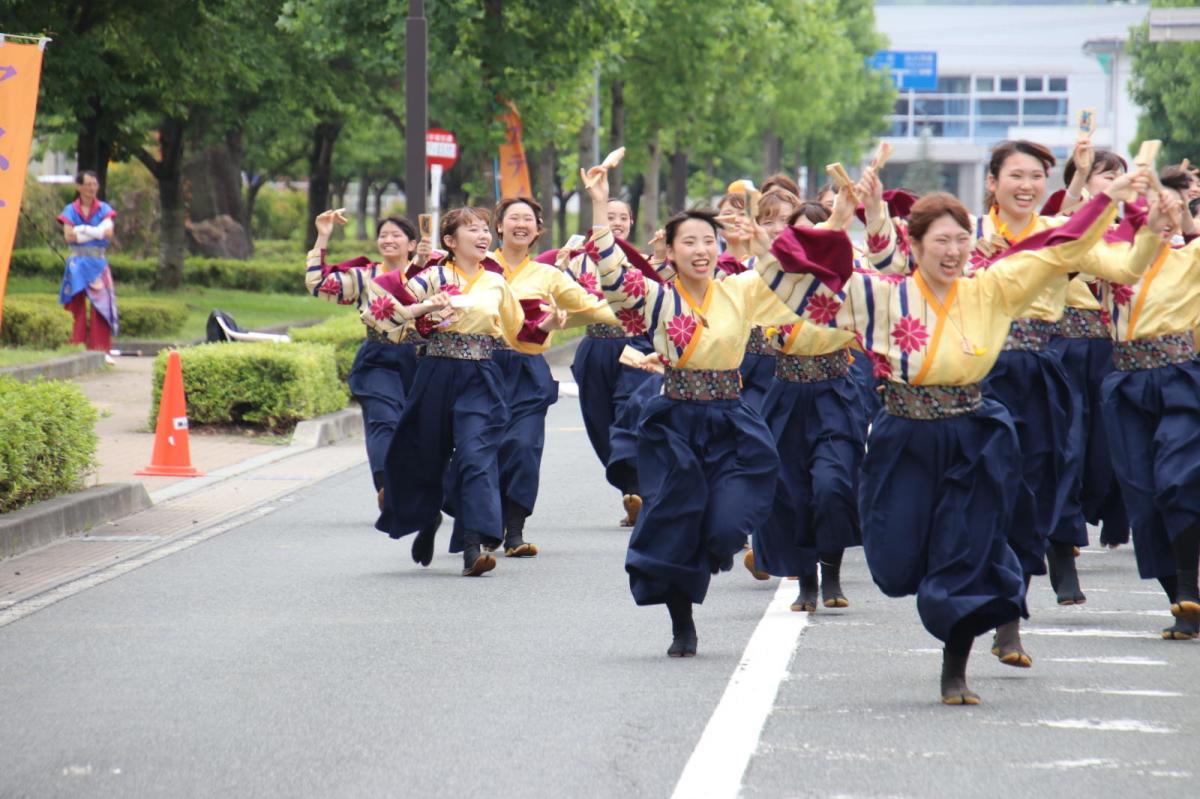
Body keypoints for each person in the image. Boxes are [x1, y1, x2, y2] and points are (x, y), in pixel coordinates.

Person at [755, 171, 1160, 704]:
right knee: (899, 558)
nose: (952, 251)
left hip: (973, 434)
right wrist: (782, 243)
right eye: (940, 240)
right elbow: (791, 285)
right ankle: (935, 600)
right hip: (905, 437)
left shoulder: (993, 286)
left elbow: (1060, 249)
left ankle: (956, 668)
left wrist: (1108, 199)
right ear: (915, 245)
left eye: (961, 239)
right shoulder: (880, 296)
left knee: (966, 545)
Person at [581, 161, 801, 658]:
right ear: (671, 251)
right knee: (675, 524)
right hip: (674, 420)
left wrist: (761, 242)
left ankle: (716, 548)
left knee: (724, 524)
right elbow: (614, 273)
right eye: (689, 243)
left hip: (730, 416)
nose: (701, 251)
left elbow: (787, 281)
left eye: (708, 241)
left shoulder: (740, 290)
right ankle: (682, 622)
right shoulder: (657, 299)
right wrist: (599, 202)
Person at [358, 207, 561, 576]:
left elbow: (519, 334)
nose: (483, 236)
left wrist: (548, 322)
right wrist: (425, 305)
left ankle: (473, 546)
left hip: (482, 377)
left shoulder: (497, 284)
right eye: (473, 230)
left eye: (485, 230)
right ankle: (426, 520)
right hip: (435, 373)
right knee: (424, 454)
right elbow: (381, 314)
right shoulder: (432, 277)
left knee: (477, 455)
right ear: (450, 242)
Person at [1092, 169, 1199, 639]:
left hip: (1181, 380)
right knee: (1144, 498)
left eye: (1178, 208)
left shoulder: (1192, 255)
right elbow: (1061, 242)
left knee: (1178, 480)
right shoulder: (1110, 259)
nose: (1168, 215)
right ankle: (1180, 597)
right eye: (1160, 206)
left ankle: (1191, 587)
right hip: (1126, 385)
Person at [304, 210, 429, 507]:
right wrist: (323, 234)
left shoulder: (430, 273)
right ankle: (388, 485)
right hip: (379, 359)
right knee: (383, 422)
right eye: (383, 235)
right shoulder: (365, 276)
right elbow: (318, 284)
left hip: (421, 358)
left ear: (412, 243)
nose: (388, 240)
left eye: (396, 235)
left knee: (417, 428)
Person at [1046, 144, 1133, 556]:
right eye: (1105, 173)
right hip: (1066, 348)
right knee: (1071, 439)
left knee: (1109, 445)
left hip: (1115, 352)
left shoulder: (1131, 226)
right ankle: (1064, 531)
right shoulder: (1070, 219)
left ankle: (1110, 515)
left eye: (1119, 173)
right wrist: (1079, 179)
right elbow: (1063, 229)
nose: (1114, 180)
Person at [557, 197, 661, 526]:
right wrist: (560, 270)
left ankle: (639, 488)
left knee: (629, 414)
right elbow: (559, 297)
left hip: (634, 344)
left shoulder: (644, 262)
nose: (616, 222)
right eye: (610, 216)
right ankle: (629, 491)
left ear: (631, 223)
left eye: (623, 217)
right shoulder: (576, 261)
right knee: (599, 422)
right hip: (595, 346)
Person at [57, 171, 118, 358]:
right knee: (74, 304)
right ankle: (74, 346)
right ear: (79, 187)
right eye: (88, 184)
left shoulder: (104, 209)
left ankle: (101, 349)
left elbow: (107, 233)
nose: (92, 188)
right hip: (77, 263)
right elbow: (68, 236)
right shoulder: (70, 210)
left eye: (95, 184)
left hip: (98, 262)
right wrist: (96, 231)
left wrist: (81, 230)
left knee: (102, 306)